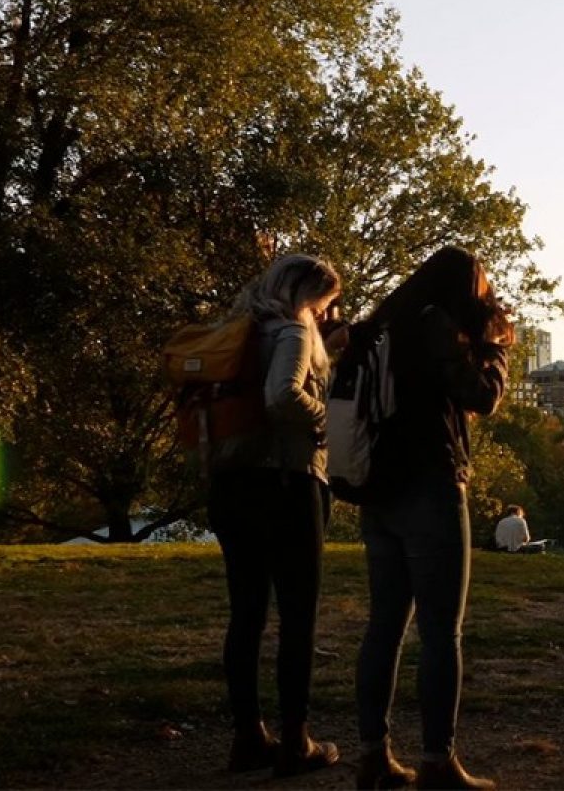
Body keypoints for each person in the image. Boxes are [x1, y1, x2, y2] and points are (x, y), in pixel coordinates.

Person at [352, 245, 512, 790]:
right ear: (466, 287)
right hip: (429, 485)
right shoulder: (440, 325)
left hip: (379, 489)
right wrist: (493, 350)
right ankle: (437, 761)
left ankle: (372, 756)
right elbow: (480, 397)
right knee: (441, 633)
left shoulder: (386, 323)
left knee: (384, 628)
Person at [208, 254, 343, 777]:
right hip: (285, 484)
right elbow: (281, 394)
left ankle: (248, 735)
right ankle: (296, 739)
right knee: (297, 615)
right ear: (306, 295)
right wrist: (324, 419)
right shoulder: (292, 330)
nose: (325, 313)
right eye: (324, 303)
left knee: (245, 614)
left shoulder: (239, 331)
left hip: (230, 485)